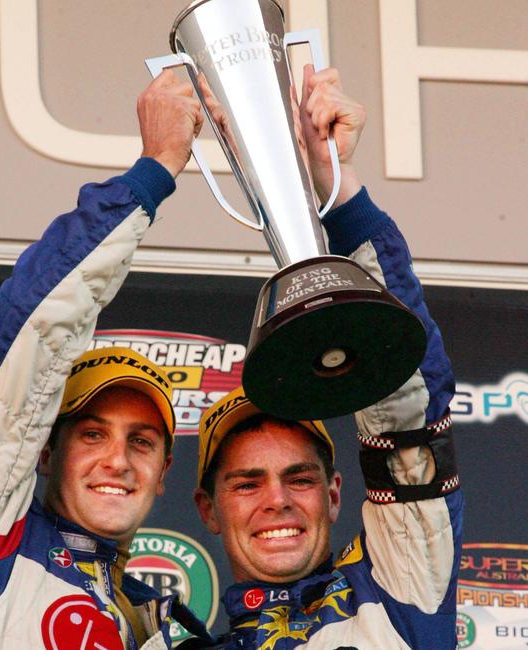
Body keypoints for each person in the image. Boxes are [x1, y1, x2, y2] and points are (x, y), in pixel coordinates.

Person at [0, 71, 213, 650]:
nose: (117, 460)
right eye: (92, 434)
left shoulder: (156, 624)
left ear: (165, 473)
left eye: (141, 441)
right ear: (45, 451)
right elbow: (32, 330)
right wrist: (153, 171)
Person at [194, 65, 462, 650]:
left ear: (335, 493)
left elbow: (409, 411)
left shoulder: (396, 596)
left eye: (300, 477)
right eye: (245, 484)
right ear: (208, 509)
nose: (278, 500)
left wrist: (337, 191)